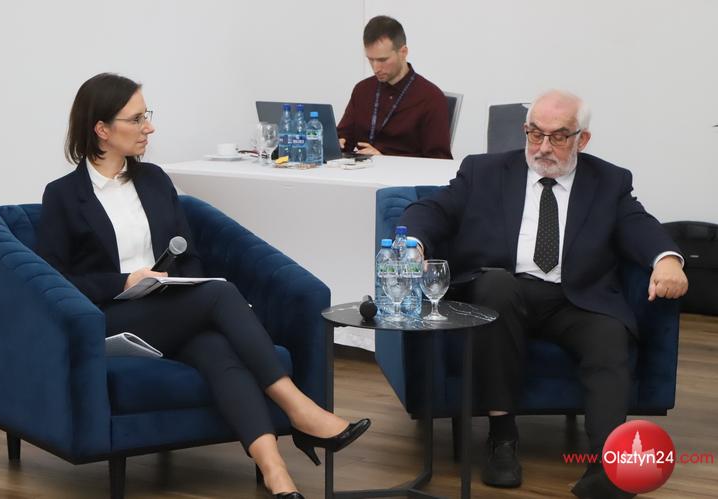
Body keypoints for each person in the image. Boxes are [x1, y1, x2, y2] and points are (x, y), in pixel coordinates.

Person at [36, 73, 370, 499]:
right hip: (111, 319)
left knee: (216, 350)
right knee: (221, 293)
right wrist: (126, 280)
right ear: (102, 129)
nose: (149, 127)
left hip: (169, 310)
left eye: (146, 115)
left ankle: (276, 475)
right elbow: (54, 281)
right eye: (136, 119)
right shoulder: (64, 196)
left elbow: (189, 255)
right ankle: (298, 407)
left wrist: (176, 283)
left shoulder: (153, 180)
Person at [399, 90, 688, 499]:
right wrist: (413, 244)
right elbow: (433, 209)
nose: (543, 147)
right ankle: (502, 440)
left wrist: (667, 259)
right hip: (506, 290)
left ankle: (607, 467)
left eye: (559, 136)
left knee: (610, 333)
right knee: (496, 287)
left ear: (582, 139)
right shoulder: (484, 171)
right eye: (535, 134)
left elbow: (638, 225)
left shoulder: (609, 181)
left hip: (575, 298)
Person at [337, 15, 453, 159]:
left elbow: (439, 160)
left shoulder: (431, 98)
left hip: (406, 173)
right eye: (371, 60)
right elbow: (344, 137)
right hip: (363, 171)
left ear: (403, 52)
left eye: (382, 60)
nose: (376, 68)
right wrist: (337, 142)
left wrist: (385, 158)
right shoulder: (362, 90)